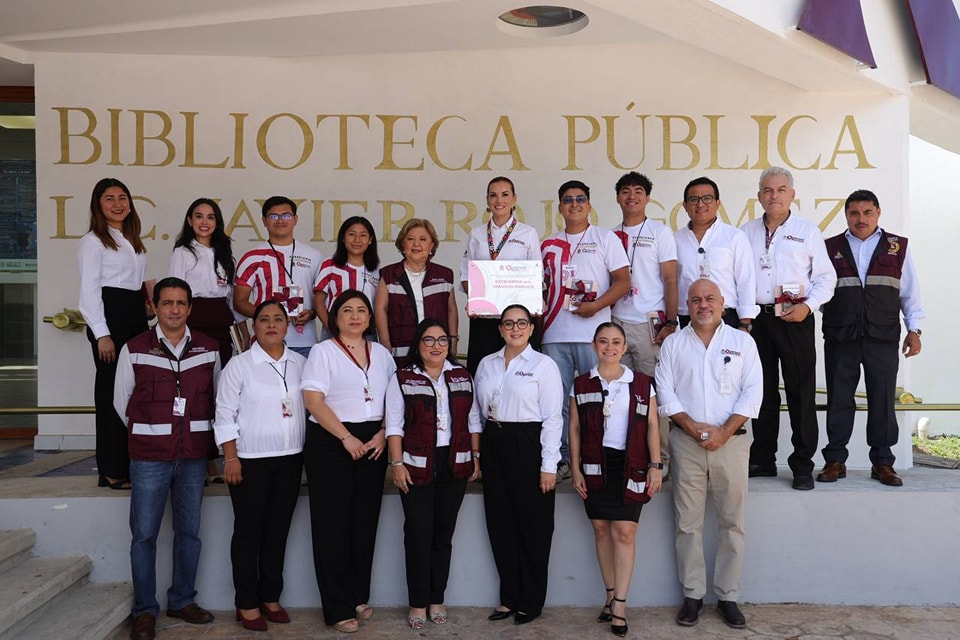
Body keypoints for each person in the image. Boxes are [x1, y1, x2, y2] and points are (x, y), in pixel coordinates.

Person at [113, 278, 221, 640]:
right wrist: (152, 433)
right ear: (155, 307)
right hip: (149, 458)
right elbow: (121, 403)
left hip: (193, 457)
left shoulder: (209, 348)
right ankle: (144, 610)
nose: (174, 309)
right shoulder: (134, 348)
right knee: (144, 535)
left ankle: (182, 600)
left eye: (181, 303)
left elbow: (217, 398)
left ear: (190, 308)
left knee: (189, 533)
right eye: (167, 303)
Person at [655, 278, 762, 630]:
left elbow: (753, 392)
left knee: (732, 522)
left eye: (710, 298)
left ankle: (728, 596)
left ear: (723, 302)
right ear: (687, 305)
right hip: (686, 444)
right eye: (696, 299)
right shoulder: (673, 344)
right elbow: (665, 392)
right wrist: (691, 427)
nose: (703, 304)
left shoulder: (742, 342)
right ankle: (693, 595)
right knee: (688, 523)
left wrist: (723, 432)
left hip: (732, 443)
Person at [301, 290, 396, 633]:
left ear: (370, 318)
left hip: (373, 442)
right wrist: (345, 437)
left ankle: (357, 595)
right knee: (332, 526)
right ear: (335, 318)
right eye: (347, 310)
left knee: (364, 522)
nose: (355, 316)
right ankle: (337, 606)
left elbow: (395, 399)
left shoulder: (382, 354)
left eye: (361, 310)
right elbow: (313, 400)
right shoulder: (323, 351)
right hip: (332, 440)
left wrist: (384, 432)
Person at [817, 189, 924, 487]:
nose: (860, 219)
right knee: (839, 399)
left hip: (882, 336)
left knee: (882, 400)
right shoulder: (829, 248)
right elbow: (820, 290)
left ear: (878, 213)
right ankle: (835, 460)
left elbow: (910, 292)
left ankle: (883, 462)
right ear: (846, 215)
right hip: (841, 336)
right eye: (854, 213)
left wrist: (914, 330)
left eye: (867, 212)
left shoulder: (896, 247)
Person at [214, 299, 306, 631]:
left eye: (278, 319)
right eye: (264, 319)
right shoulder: (239, 366)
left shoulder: (300, 363)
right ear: (254, 327)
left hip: (291, 459)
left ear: (287, 326)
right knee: (249, 532)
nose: (271, 325)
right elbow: (224, 414)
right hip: (250, 461)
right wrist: (231, 458)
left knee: (277, 531)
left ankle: (270, 596)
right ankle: (246, 601)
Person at [743, 168, 836, 490]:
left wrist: (807, 307)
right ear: (759, 196)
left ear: (792, 195)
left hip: (795, 319)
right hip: (758, 320)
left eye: (781, 190)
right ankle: (763, 458)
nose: (774, 196)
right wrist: (744, 318)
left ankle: (802, 465)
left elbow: (826, 278)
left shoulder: (807, 231)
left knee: (801, 392)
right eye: (768, 190)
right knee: (761, 390)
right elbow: (739, 277)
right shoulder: (746, 232)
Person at [385, 319, 481, 630]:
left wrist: (476, 457)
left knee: (443, 534)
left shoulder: (462, 375)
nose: (436, 346)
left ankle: (437, 598)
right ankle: (417, 602)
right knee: (417, 534)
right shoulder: (403, 377)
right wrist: (397, 464)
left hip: (455, 462)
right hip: (415, 466)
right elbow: (394, 425)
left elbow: (473, 420)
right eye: (429, 340)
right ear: (418, 344)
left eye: (442, 340)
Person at [471, 304, 563, 626]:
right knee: (500, 523)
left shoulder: (544, 366)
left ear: (531, 328)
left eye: (522, 323)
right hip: (494, 441)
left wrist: (549, 465)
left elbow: (553, 418)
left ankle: (531, 599)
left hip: (529, 443)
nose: (515, 329)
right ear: (500, 329)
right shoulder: (486, 364)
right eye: (508, 323)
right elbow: (475, 412)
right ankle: (509, 596)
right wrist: (477, 454)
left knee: (534, 526)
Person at [569, 322, 663, 637]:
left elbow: (652, 425)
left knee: (624, 532)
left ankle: (620, 604)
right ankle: (609, 596)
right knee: (600, 529)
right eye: (603, 341)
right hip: (595, 464)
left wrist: (655, 465)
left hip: (631, 464)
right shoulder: (581, 383)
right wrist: (575, 469)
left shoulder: (642, 383)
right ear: (594, 346)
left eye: (616, 342)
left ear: (624, 348)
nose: (609, 347)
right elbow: (575, 428)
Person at [541, 180, 631, 479]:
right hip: (555, 334)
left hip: (595, 337)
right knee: (557, 403)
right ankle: (563, 459)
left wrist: (596, 306)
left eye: (580, 199)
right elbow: (540, 289)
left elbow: (623, 281)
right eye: (568, 200)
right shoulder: (548, 244)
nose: (574, 204)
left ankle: (600, 457)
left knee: (599, 401)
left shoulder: (605, 238)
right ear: (560, 207)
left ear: (589, 205)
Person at [78, 177, 150, 490]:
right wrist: (102, 334)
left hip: (133, 316)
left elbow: (133, 285)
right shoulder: (93, 241)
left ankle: (132, 462)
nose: (117, 204)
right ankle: (111, 469)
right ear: (98, 204)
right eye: (109, 198)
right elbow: (89, 292)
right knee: (110, 394)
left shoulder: (131, 239)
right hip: (110, 320)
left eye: (122, 197)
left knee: (134, 393)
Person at [610, 171, 678, 477]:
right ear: (618, 198)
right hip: (617, 323)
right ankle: (628, 456)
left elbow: (670, 279)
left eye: (638, 191)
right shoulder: (610, 235)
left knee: (654, 394)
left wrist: (671, 322)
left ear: (648, 198)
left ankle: (659, 458)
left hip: (650, 326)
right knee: (621, 394)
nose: (632, 196)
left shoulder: (660, 232)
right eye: (626, 191)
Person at [459, 176, 541, 375]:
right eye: (493, 195)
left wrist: (535, 301)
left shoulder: (528, 233)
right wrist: (475, 299)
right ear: (487, 200)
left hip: (517, 320)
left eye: (505, 195)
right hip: (485, 317)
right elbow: (466, 274)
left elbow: (536, 275)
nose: (499, 200)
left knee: (519, 372)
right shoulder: (477, 234)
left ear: (514, 198)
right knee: (482, 371)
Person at [234, 196, 323, 358]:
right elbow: (239, 302)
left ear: (295, 219)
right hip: (265, 342)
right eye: (273, 216)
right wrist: (269, 316)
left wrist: (311, 313)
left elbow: (321, 299)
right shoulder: (251, 257)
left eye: (286, 215)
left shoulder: (314, 256)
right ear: (264, 220)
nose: (280, 220)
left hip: (306, 342)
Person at [674, 177, 757, 331]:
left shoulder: (734, 237)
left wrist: (745, 323)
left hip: (727, 319)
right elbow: (669, 282)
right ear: (685, 206)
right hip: (687, 320)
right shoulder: (675, 240)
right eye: (694, 199)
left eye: (707, 198)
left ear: (718, 203)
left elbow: (746, 280)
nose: (700, 204)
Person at [376, 218, 458, 367]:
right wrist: (385, 343)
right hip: (400, 349)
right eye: (410, 239)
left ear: (432, 245)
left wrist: (453, 341)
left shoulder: (444, 275)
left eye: (422, 239)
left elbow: (451, 310)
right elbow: (380, 309)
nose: (416, 244)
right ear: (402, 244)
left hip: (436, 349)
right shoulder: (388, 275)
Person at [168, 198, 239, 366]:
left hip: (222, 321)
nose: (205, 222)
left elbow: (231, 298)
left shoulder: (223, 254)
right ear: (190, 220)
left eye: (210, 217)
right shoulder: (182, 253)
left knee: (223, 370)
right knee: (196, 373)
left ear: (217, 222)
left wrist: (241, 331)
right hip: (195, 319)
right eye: (199, 216)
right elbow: (173, 293)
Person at [313, 216, 380, 340]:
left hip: (366, 334)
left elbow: (379, 306)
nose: (357, 240)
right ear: (343, 238)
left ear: (370, 240)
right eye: (351, 234)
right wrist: (332, 328)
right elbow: (318, 301)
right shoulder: (330, 264)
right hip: (334, 332)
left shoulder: (376, 270)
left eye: (363, 235)